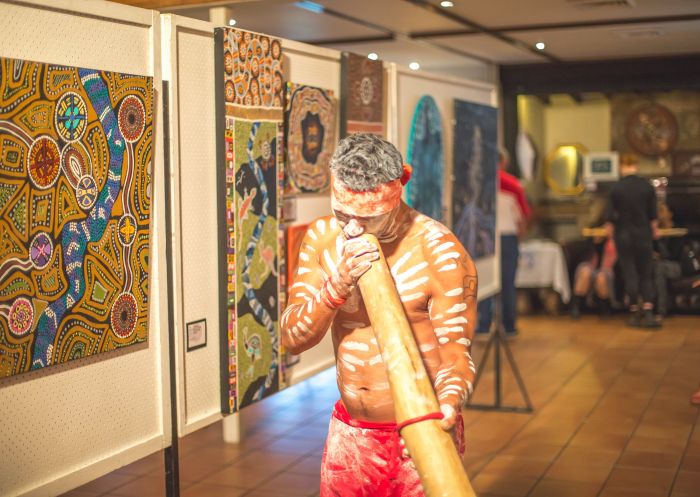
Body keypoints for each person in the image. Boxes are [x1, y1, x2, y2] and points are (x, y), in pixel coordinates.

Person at [280, 133, 476, 497]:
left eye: (369, 217)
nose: (354, 229)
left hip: (421, 429)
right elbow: (292, 339)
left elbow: (456, 354)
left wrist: (446, 408)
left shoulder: (439, 250)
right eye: (343, 214)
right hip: (351, 432)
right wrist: (336, 286)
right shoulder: (323, 237)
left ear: (402, 182)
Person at [476, 148, 531, 336]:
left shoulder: (480, 184)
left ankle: (483, 325)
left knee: (485, 279)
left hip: (486, 238)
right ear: (504, 162)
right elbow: (523, 216)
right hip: (508, 237)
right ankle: (509, 326)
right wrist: (519, 237)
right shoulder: (513, 184)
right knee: (508, 283)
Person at [605, 153, 660, 328]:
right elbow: (653, 217)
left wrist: (611, 235)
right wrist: (654, 231)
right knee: (646, 273)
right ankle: (649, 312)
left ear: (621, 166)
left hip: (623, 235)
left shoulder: (616, 188)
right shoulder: (646, 186)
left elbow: (609, 219)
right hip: (643, 235)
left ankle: (635, 312)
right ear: (636, 165)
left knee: (630, 273)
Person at [570, 235, 617, 319]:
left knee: (601, 277)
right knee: (585, 272)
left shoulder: (615, 242)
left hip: (608, 270)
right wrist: (593, 242)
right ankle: (576, 306)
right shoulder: (588, 242)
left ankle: (605, 308)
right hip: (590, 267)